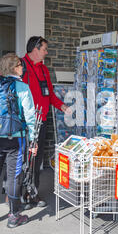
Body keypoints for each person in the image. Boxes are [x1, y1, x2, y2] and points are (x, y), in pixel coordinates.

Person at [0, 53, 38, 228]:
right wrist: (33, 140)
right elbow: (31, 117)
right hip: (14, 140)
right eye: (19, 65)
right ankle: (13, 216)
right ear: (13, 68)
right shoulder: (22, 87)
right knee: (13, 177)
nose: (22, 68)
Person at [19, 36, 71, 210]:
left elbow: (49, 95)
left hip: (41, 122)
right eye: (44, 49)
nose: (46, 52)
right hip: (25, 123)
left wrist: (62, 106)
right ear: (35, 49)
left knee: (37, 158)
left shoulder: (44, 70)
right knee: (24, 158)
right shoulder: (20, 65)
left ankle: (32, 192)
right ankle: (18, 194)